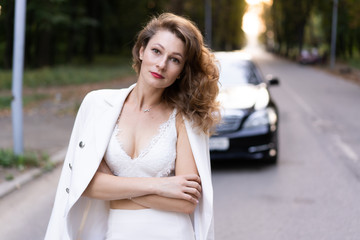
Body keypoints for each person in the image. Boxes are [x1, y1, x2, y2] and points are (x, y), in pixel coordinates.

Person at [45, 13, 220, 240]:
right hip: (115, 232)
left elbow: (185, 202)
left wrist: (113, 187)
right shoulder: (98, 105)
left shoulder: (185, 119)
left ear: (181, 72)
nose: (162, 64)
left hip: (172, 232)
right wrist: (161, 186)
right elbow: (83, 184)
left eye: (174, 59)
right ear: (141, 51)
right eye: (156, 51)